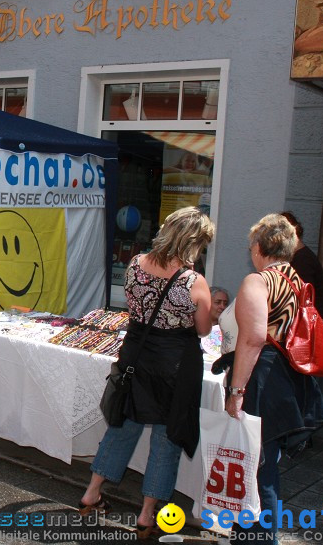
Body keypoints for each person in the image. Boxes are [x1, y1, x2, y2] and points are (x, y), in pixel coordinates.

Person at [80, 206, 213, 539]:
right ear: (193, 242)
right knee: (166, 439)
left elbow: (132, 306)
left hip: (136, 356)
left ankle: (91, 492)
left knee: (124, 425)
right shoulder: (194, 282)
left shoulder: (135, 264)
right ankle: (146, 514)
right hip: (174, 366)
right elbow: (202, 329)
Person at [220, 213, 323, 545]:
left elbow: (252, 340)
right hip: (285, 376)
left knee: (257, 467)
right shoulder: (294, 277)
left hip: (262, 378)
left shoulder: (258, 280)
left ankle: (260, 539)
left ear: (258, 247)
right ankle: (250, 535)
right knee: (263, 464)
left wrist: (236, 391)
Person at [279, 211, 323, 334]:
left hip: (317, 322)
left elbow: (303, 296)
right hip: (318, 320)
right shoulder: (300, 257)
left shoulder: (302, 260)